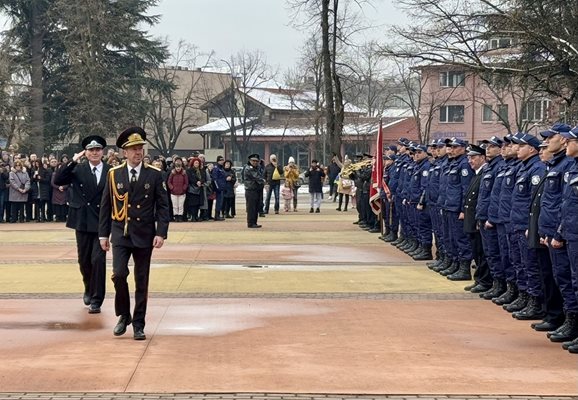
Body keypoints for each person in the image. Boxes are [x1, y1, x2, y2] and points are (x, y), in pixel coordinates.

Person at [99, 127, 170, 340]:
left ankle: (139, 323)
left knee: (142, 280)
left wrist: (161, 233)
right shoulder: (114, 174)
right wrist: (103, 235)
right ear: (124, 152)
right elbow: (106, 206)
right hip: (120, 233)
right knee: (119, 274)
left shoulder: (154, 175)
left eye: (140, 148)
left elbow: (163, 206)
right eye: (133, 149)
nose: (138, 152)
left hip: (144, 233)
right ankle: (123, 315)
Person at [54, 135, 110, 313]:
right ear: (85, 152)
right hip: (82, 219)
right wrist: (72, 161)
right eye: (91, 150)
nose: (95, 153)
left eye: (98, 150)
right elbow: (59, 180)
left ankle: (96, 299)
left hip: (101, 220)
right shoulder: (78, 168)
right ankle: (88, 287)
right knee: (84, 260)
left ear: (103, 152)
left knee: (98, 260)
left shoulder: (111, 170)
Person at [244, 153, 265, 228]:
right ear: (250, 161)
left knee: (256, 206)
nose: (255, 162)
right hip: (250, 190)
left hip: (257, 189)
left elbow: (262, 174)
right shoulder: (248, 168)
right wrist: (263, 181)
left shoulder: (258, 168)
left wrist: (262, 166)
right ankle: (250, 223)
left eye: (256, 161)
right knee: (251, 207)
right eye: (253, 161)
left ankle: (254, 222)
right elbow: (257, 177)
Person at [167, 158, 188, 222]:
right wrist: (172, 188)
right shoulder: (172, 174)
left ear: (181, 167)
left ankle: (180, 216)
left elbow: (186, 183)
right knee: (175, 205)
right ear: (175, 167)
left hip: (182, 193)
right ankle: (176, 216)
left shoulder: (184, 174)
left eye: (179, 167)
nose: (178, 169)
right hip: (173, 192)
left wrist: (184, 189)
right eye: (177, 167)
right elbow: (169, 182)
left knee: (181, 205)